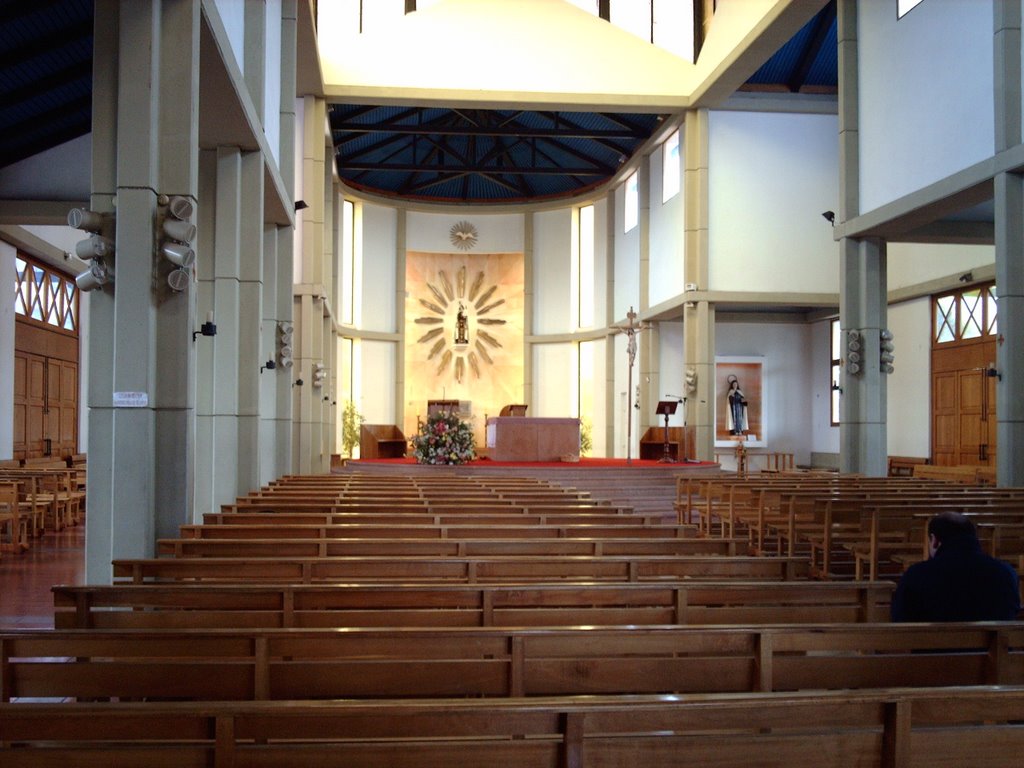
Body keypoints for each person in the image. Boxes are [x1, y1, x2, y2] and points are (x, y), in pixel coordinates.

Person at [891, 511, 1021, 622]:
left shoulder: (916, 574)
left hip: (933, 650)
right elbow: (1012, 611)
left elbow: (900, 619)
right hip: (994, 650)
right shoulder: (1006, 572)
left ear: (934, 541)